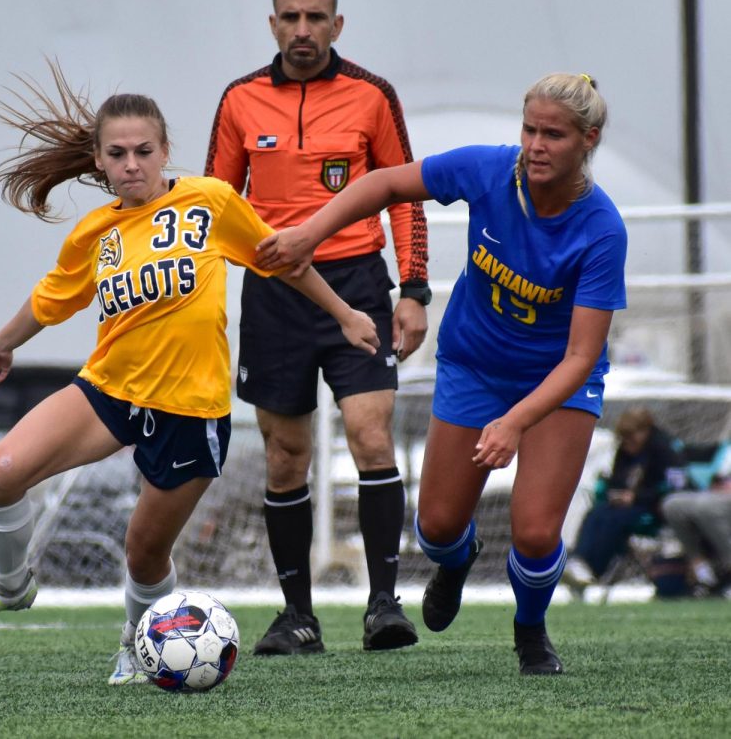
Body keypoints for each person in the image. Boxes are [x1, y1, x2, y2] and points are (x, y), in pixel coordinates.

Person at [0, 60, 379, 687]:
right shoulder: (96, 233)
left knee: (144, 553)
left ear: (166, 150)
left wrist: (345, 314)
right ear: (98, 162)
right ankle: (9, 585)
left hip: (190, 411)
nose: (132, 163)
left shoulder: (211, 201)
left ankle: (139, 648)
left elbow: (283, 259)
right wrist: (1, 345)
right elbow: (51, 299)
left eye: (144, 150)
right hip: (109, 390)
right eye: (117, 153)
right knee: (1, 476)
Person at [256, 73, 628, 675]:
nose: (535, 144)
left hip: (557, 383)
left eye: (553, 135)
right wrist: (308, 235)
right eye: (529, 129)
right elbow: (382, 182)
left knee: (535, 533)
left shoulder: (602, 229)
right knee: (435, 530)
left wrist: (515, 421)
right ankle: (457, 562)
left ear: (588, 139)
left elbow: (581, 357)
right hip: (474, 366)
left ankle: (530, 631)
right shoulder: (489, 170)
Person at [205, 0, 428, 654]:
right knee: (285, 455)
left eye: (315, 17)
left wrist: (413, 289)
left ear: (337, 24)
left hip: (358, 282)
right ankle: (296, 615)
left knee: (370, 435)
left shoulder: (371, 95)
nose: (303, 30)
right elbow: (215, 204)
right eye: (290, 17)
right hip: (274, 293)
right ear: (272, 24)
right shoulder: (239, 99)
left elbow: (403, 193)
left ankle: (384, 604)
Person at [563, 408, 687, 589]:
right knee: (598, 513)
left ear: (645, 431)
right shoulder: (626, 450)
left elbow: (674, 486)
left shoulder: (664, 450)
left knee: (615, 520)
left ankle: (594, 569)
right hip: (627, 504)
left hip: (652, 507)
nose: (628, 442)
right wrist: (616, 493)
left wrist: (637, 497)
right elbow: (616, 478)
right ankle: (579, 561)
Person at [661, 446, 731, 597]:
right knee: (673, 504)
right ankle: (703, 572)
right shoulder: (727, 450)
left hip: (719, 501)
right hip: (717, 495)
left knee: (706, 506)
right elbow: (719, 477)